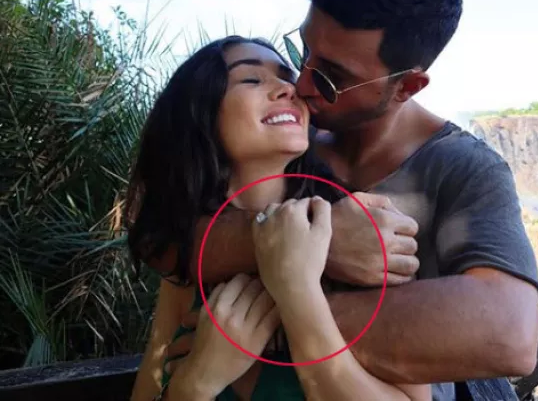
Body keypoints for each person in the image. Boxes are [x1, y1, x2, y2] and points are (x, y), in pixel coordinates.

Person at [158, 0, 538, 400]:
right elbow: (159, 234)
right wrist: (320, 241)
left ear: (406, 86)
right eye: (304, 50)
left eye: (331, 77)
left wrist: (276, 315)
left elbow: (509, 334)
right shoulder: (287, 135)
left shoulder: (463, 170)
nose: (302, 84)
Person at [125, 35, 429, 400]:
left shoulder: (363, 237)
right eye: (251, 79)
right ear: (200, 112)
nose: (288, 88)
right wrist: (197, 383)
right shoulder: (189, 256)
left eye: (288, 77)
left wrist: (298, 292)